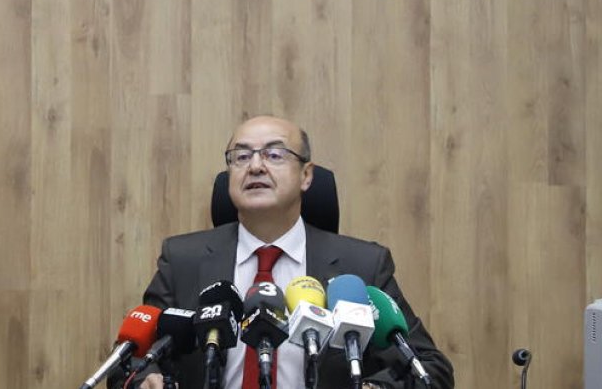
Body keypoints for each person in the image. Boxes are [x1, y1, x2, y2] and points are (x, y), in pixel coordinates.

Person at [140, 116, 453, 389]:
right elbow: (132, 358)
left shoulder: (361, 266)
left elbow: (430, 368)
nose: (256, 166)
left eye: (274, 154)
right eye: (241, 156)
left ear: (306, 176)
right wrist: (145, 377)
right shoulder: (183, 260)